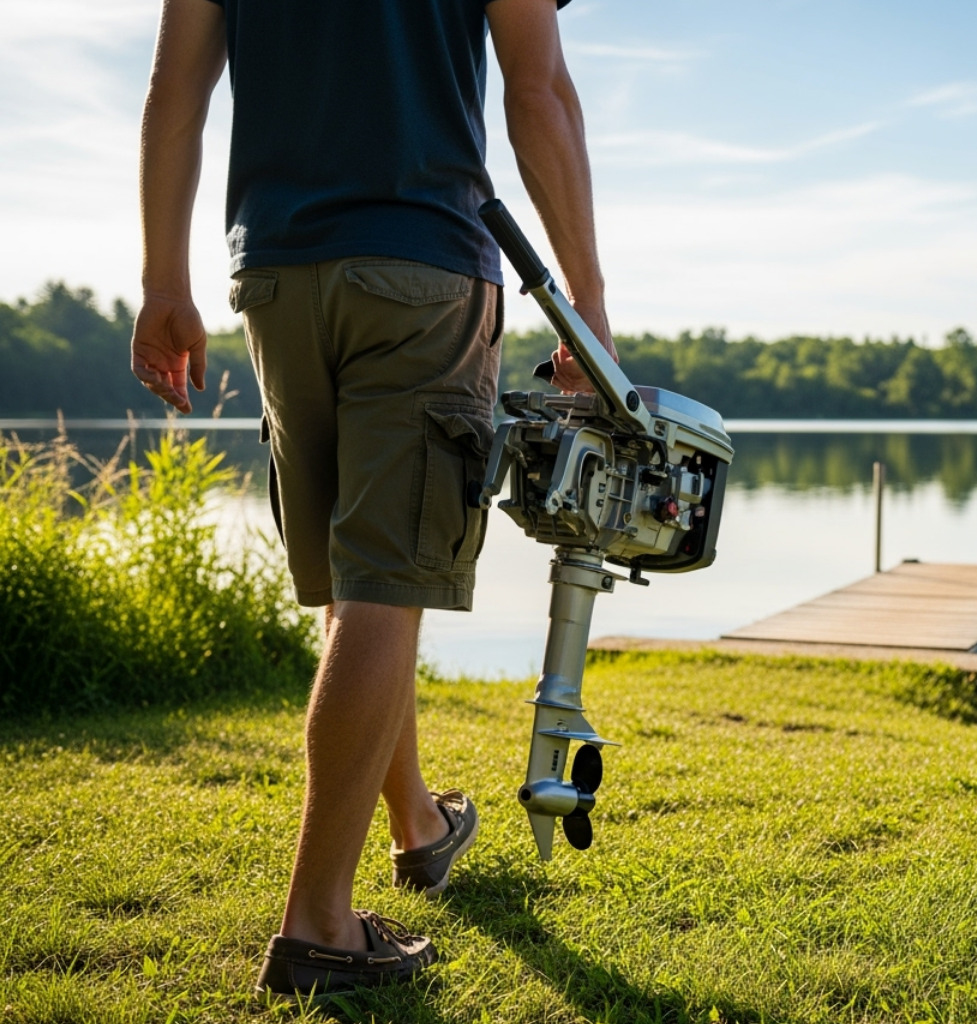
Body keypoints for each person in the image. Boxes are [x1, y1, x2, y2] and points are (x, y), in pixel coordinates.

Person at [130, 0, 616, 1000]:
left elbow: (175, 88)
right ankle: (319, 926)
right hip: (424, 264)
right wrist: (588, 302)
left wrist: (163, 280)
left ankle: (419, 825)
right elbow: (539, 91)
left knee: (358, 584)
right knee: (386, 584)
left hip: (277, 272)